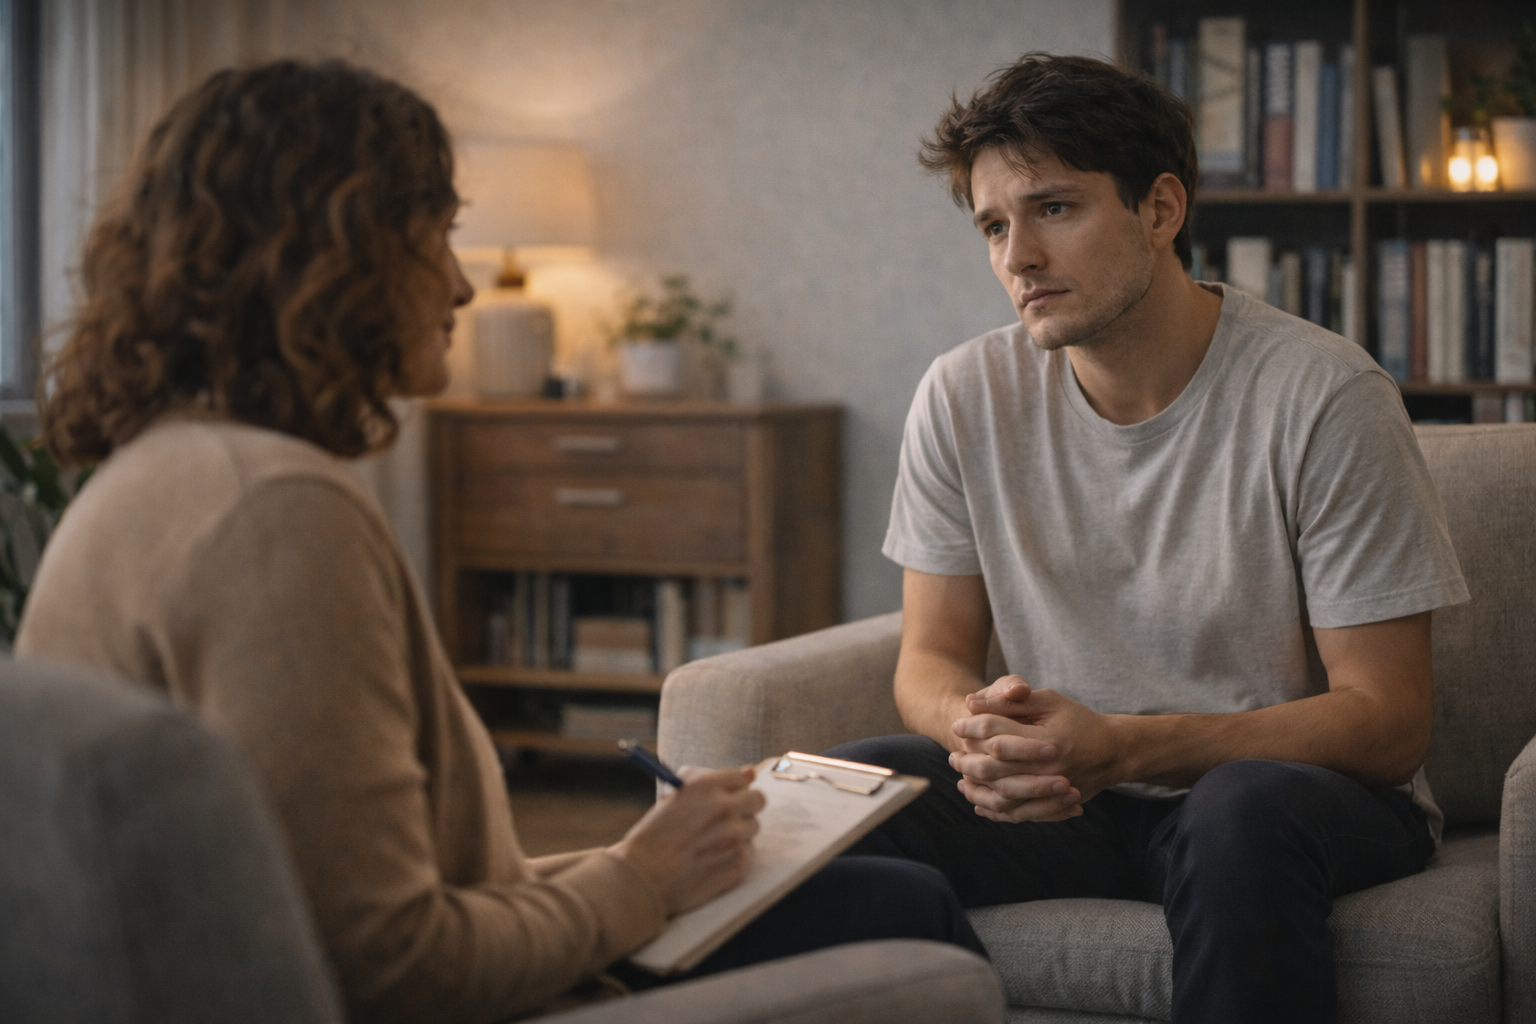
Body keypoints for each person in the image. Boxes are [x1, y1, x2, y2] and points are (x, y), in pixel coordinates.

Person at [15, 60, 983, 1024]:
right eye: (437, 236)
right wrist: (639, 882)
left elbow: (356, 891)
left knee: (849, 882)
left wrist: (632, 862)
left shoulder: (144, 480)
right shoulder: (274, 514)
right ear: (338, 260)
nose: (462, 284)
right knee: (906, 914)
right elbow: (392, 967)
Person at [827, 53, 1468, 1024]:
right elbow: (931, 653)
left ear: (1161, 210)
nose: (1018, 258)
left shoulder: (1325, 397)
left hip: (1290, 797)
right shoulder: (962, 396)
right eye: (995, 225)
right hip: (1072, 798)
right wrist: (982, 731)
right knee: (833, 799)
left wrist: (1129, 747)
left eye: (1054, 209)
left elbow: (1387, 720)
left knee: (1238, 811)